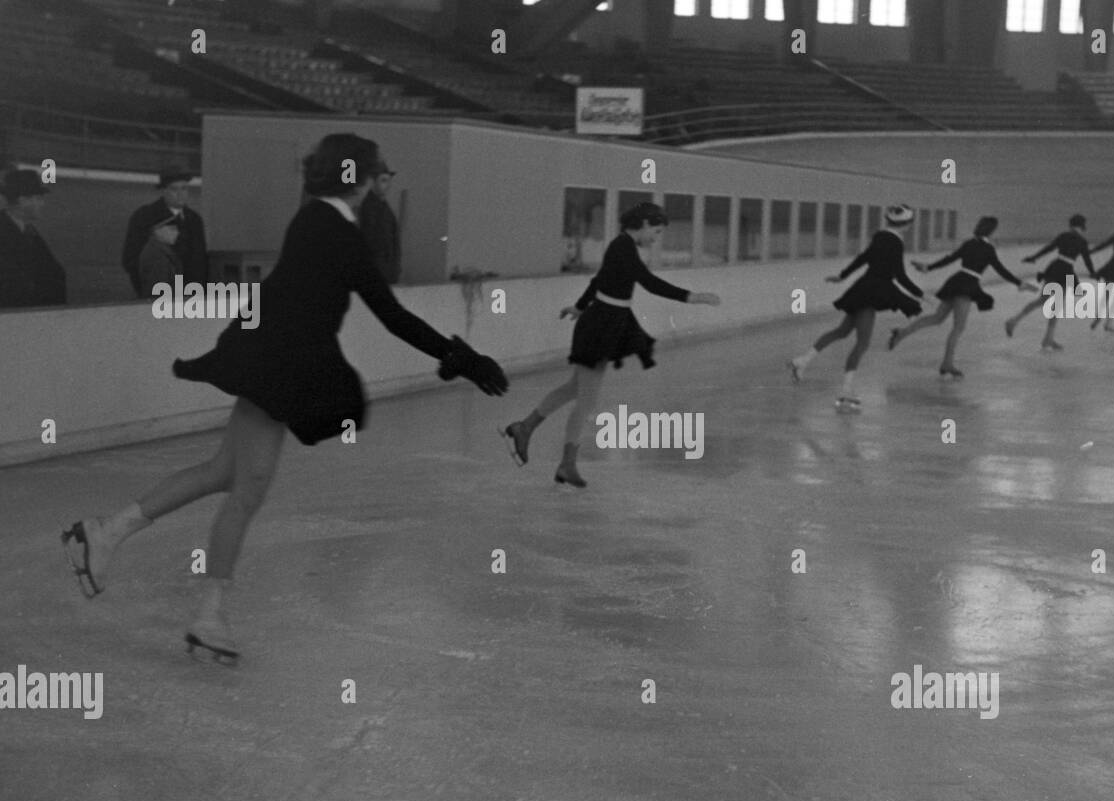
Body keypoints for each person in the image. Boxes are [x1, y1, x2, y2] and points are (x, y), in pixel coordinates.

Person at [62, 133, 509, 664]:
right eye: (371, 175)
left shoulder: (317, 219)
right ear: (360, 180)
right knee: (246, 489)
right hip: (278, 365)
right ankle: (206, 613)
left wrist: (459, 357)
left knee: (223, 473)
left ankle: (107, 532)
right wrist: (463, 358)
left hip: (272, 359)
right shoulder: (334, 229)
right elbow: (391, 315)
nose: (373, 185)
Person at [500, 201, 720, 488]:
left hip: (606, 321)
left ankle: (525, 427)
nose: (656, 238)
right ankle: (565, 462)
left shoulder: (622, 246)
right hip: (601, 325)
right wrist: (693, 297)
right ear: (641, 225)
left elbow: (599, 279)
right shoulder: (623, 247)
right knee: (586, 399)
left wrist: (579, 306)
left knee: (574, 389)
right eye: (655, 231)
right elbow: (648, 282)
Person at [789, 204, 924, 412]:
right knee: (862, 343)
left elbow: (864, 258)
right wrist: (921, 294)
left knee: (842, 332)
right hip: (873, 293)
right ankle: (845, 392)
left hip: (861, 288)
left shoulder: (880, 236)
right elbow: (900, 275)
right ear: (907, 224)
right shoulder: (896, 242)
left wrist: (842, 276)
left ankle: (802, 360)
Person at [890, 215, 1036, 378]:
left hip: (955, 282)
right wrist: (1019, 284)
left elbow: (950, 259)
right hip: (968, 286)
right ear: (991, 231)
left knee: (937, 318)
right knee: (958, 327)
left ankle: (902, 333)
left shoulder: (969, 243)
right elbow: (1001, 270)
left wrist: (928, 267)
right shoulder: (988, 249)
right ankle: (947, 363)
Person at [1004, 213, 1096, 351]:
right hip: (1066, 271)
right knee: (1055, 307)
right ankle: (1047, 338)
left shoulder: (1063, 236)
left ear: (1071, 225)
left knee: (1042, 300)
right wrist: (1093, 273)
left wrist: (1034, 257)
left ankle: (1016, 321)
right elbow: (1087, 260)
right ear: (1082, 226)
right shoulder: (1082, 241)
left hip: (1054, 268)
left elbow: (1049, 248)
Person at [122, 168, 208, 298]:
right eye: (174, 189)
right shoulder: (144, 216)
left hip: (191, 295)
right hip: (157, 294)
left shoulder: (194, 219)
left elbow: (200, 260)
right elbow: (130, 259)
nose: (180, 194)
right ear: (163, 191)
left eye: (184, 188)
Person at [0, 168, 67, 309]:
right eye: (38, 198)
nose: (42, 204)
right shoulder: (12, 231)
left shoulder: (27, 230)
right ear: (22, 200)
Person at [359, 161, 401, 284]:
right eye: (383, 180)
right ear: (373, 183)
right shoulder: (368, 208)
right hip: (376, 272)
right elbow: (370, 241)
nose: (387, 185)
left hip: (387, 272)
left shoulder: (385, 208)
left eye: (388, 181)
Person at [136, 213, 183, 293]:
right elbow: (159, 292)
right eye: (172, 229)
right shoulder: (156, 255)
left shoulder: (160, 250)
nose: (177, 233)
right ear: (157, 231)